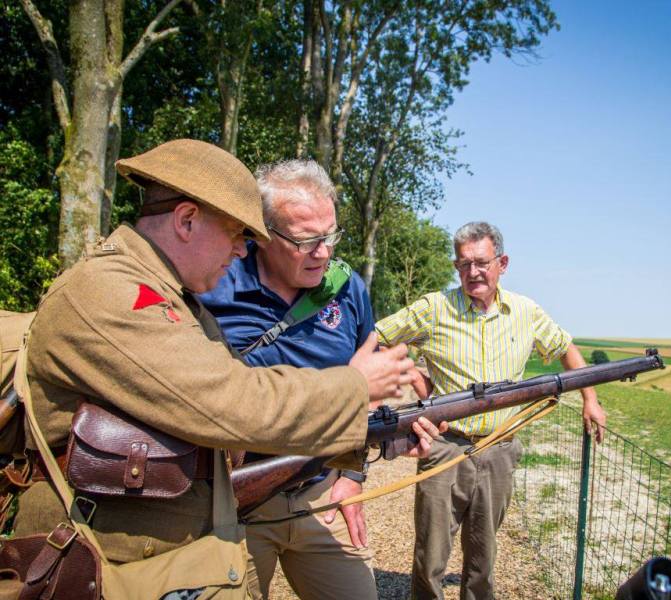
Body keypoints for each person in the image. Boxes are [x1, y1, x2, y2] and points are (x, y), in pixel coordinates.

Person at [12, 139, 439, 598]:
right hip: (105, 562)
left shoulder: (172, 295)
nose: (242, 250)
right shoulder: (113, 292)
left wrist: (375, 435)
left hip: (148, 554)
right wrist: (355, 387)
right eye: (237, 232)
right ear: (187, 220)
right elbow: (232, 403)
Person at [201, 159, 443, 599]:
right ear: (262, 232)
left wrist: (355, 474)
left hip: (319, 492)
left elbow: (365, 394)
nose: (324, 252)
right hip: (233, 503)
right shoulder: (214, 282)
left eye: (330, 236)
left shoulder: (347, 288)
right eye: (306, 240)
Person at [376, 221, 606, 600]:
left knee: (483, 558)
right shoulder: (435, 308)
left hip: (500, 448)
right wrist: (416, 380)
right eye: (464, 264)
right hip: (444, 447)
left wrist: (590, 399)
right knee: (430, 557)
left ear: (503, 262)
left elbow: (566, 348)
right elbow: (378, 337)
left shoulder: (526, 312)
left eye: (481, 262)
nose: (473, 272)